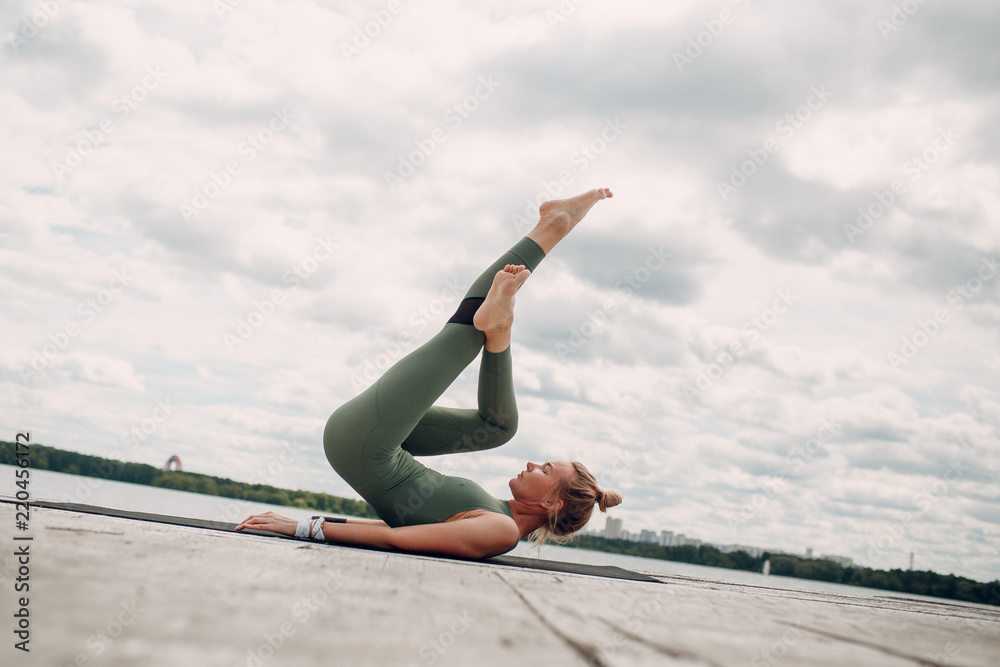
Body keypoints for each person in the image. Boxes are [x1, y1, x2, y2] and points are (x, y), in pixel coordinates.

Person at [236, 188, 623, 558]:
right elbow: (392, 526)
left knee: (465, 334)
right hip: (376, 443)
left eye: (545, 470)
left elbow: (394, 540)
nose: (532, 465)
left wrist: (300, 526)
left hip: (366, 446)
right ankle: (500, 327)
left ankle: (546, 237)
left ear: (552, 503)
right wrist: (311, 523)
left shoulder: (502, 531)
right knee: (499, 427)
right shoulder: (497, 511)